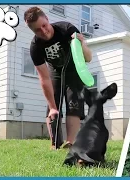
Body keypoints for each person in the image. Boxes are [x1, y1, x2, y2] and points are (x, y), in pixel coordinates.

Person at [24, 6, 92, 149]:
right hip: (55, 73)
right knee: (51, 108)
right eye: (37, 30)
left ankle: (70, 142)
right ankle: (55, 143)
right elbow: (44, 78)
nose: (43, 31)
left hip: (73, 71)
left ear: (48, 20)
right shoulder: (35, 47)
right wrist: (53, 107)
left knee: (74, 104)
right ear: (33, 31)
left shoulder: (66, 29)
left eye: (44, 25)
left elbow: (88, 58)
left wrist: (82, 44)